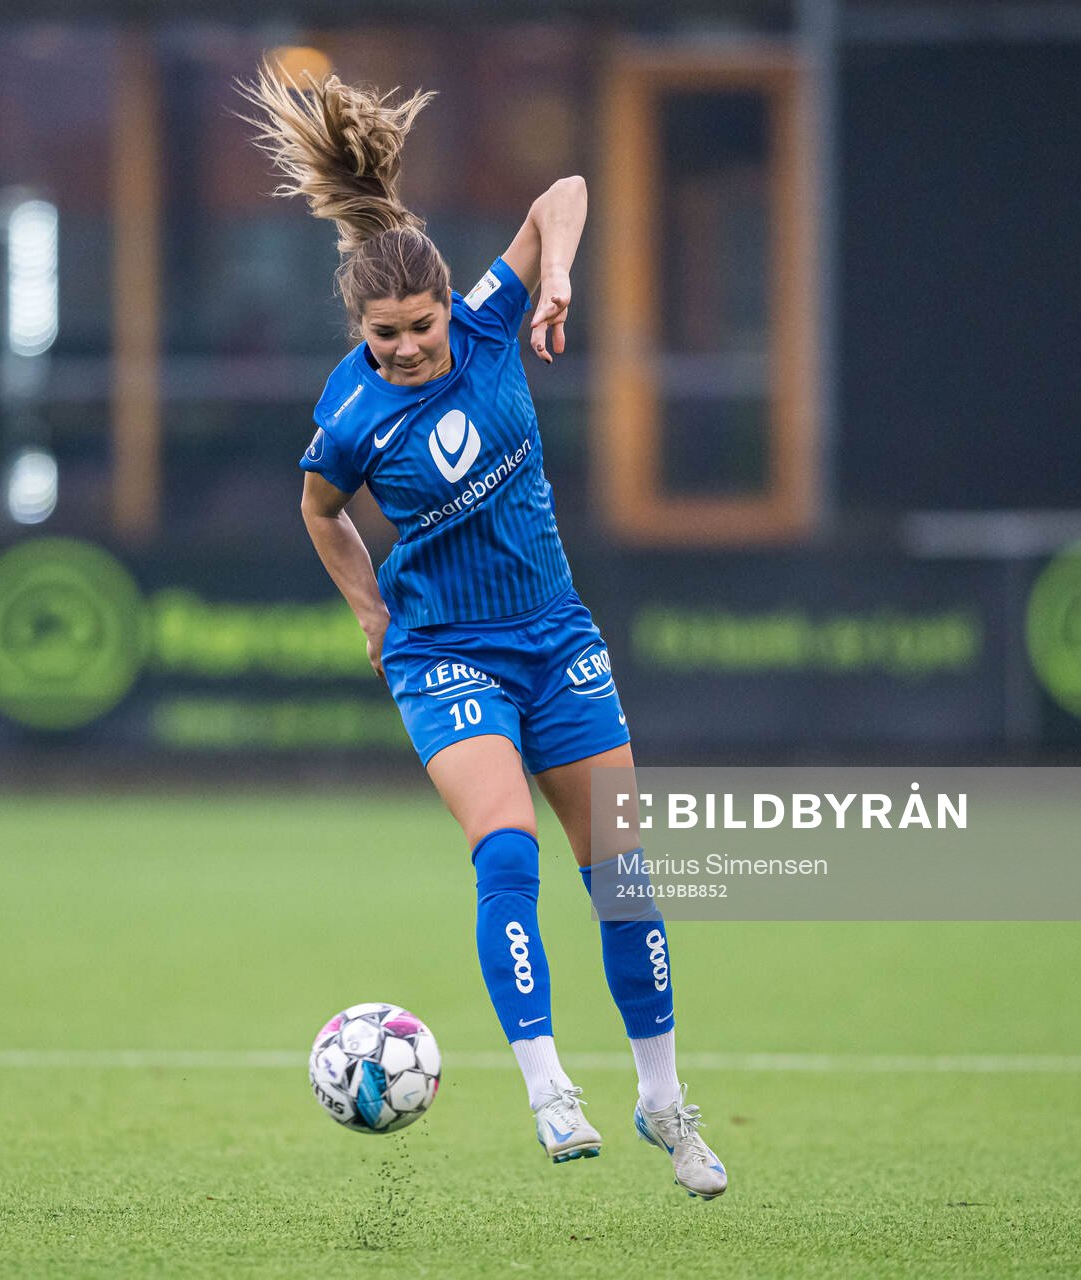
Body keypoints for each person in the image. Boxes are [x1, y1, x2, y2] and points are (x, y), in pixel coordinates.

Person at [242, 66, 726, 1198]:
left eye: (417, 327)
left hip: (555, 636)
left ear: (446, 305)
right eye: (383, 335)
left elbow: (564, 188)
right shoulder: (351, 410)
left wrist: (556, 277)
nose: (405, 348)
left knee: (623, 876)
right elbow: (318, 507)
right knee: (506, 847)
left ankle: (662, 1098)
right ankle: (550, 1083)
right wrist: (369, 605)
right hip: (443, 652)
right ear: (357, 330)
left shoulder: (495, 320)